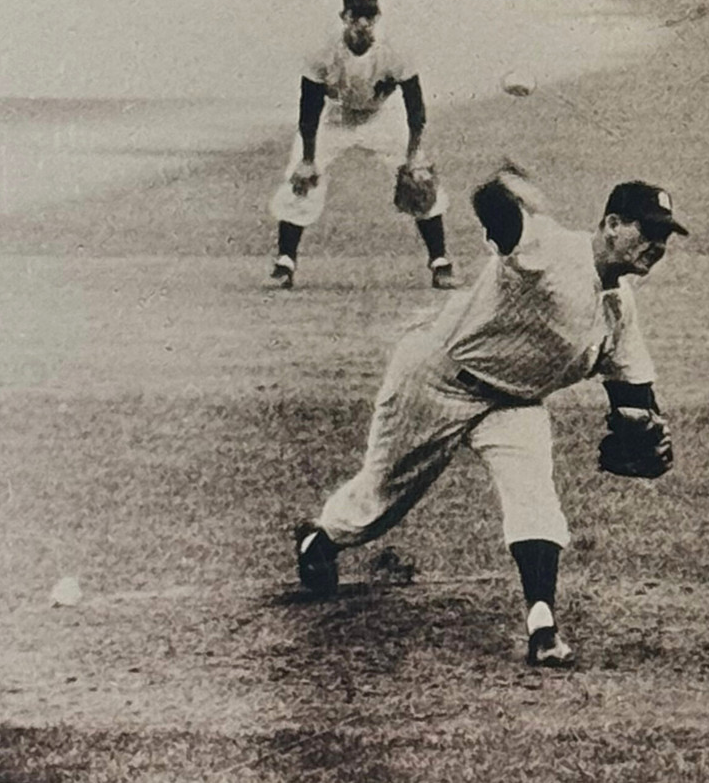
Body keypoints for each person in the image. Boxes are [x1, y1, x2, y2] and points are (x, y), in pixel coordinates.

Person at [293, 167, 688, 668]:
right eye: (647, 230)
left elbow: (633, 389)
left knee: (535, 496)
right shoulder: (551, 247)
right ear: (611, 223)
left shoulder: (619, 311)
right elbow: (498, 217)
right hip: (437, 379)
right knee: (378, 499)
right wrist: (502, 188)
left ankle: (542, 624)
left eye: (664, 236)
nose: (657, 244)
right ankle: (319, 537)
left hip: (514, 404)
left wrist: (643, 425)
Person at [269, 0, 456, 290]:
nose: (363, 23)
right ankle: (285, 261)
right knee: (300, 178)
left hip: (381, 118)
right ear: (344, 16)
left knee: (421, 181)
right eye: (356, 15)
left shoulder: (396, 49)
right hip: (337, 117)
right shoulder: (323, 50)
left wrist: (413, 156)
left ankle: (440, 261)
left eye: (369, 16)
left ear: (378, 16)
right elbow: (309, 108)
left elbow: (415, 108)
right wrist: (307, 159)